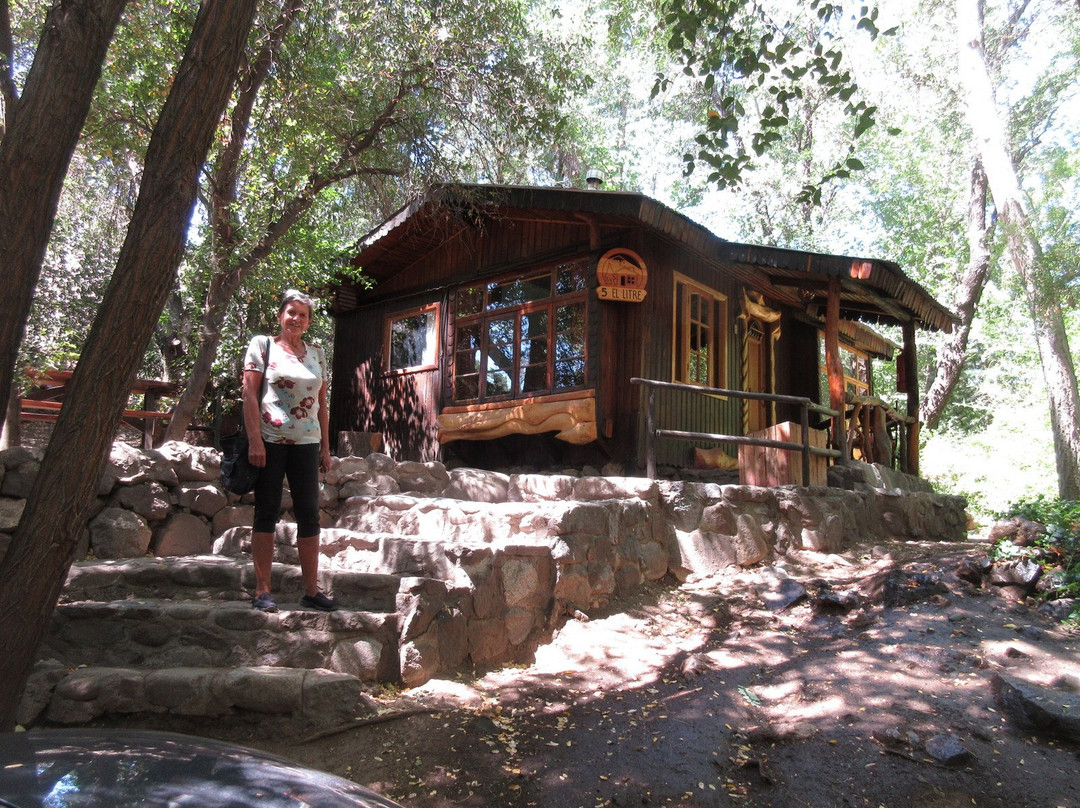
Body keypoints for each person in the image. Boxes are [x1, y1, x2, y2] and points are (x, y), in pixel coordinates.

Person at [242, 289, 336, 612]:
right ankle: (262, 591)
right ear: (281, 315)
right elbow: (249, 395)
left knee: (309, 514)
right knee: (266, 511)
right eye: (291, 312)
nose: (296, 319)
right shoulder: (262, 345)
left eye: (303, 315)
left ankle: (311, 590)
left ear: (309, 323)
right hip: (270, 442)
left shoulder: (317, 354)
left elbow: (323, 405)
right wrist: (255, 440)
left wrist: (325, 447)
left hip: (307, 444)